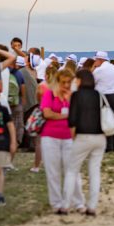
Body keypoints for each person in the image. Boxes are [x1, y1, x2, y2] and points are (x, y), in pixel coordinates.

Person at [41, 68, 84, 214]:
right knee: (53, 171)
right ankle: (56, 203)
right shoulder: (49, 94)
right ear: (57, 81)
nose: (66, 85)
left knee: (73, 171)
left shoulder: (74, 97)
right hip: (50, 136)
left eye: (68, 82)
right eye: (63, 82)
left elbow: (78, 115)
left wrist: (61, 111)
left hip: (69, 137)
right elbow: (47, 113)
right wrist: (65, 116)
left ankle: (78, 202)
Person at [65, 70, 106, 216]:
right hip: (100, 137)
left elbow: (72, 119)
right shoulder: (99, 95)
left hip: (83, 136)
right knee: (95, 171)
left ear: (80, 80)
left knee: (72, 170)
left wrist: (72, 137)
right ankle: (92, 206)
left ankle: (66, 204)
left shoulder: (77, 95)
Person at [92, 51, 114, 152]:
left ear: (99, 59)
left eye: (96, 60)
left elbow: (93, 82)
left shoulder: (99, 70)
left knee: (106, 120)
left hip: (105, 97)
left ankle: (107, 146)